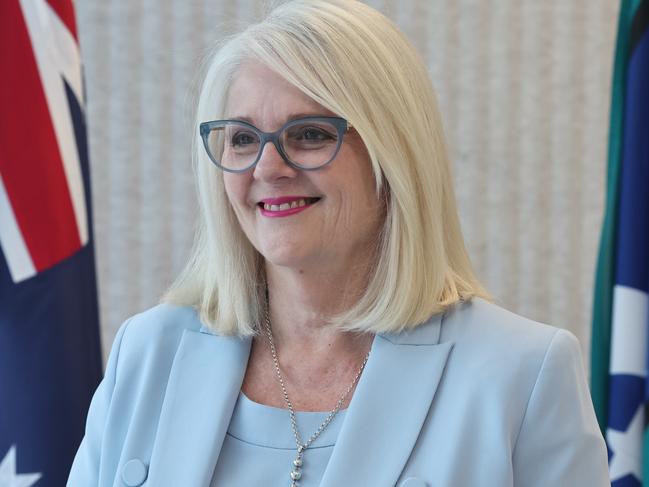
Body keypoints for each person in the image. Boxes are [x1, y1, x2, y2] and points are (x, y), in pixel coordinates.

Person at [67, 0, 609, 486]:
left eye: (310, 134)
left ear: (393, 158)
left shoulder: (524, 373)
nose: (268, 167)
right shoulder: (147, 352)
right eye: (243, 138)